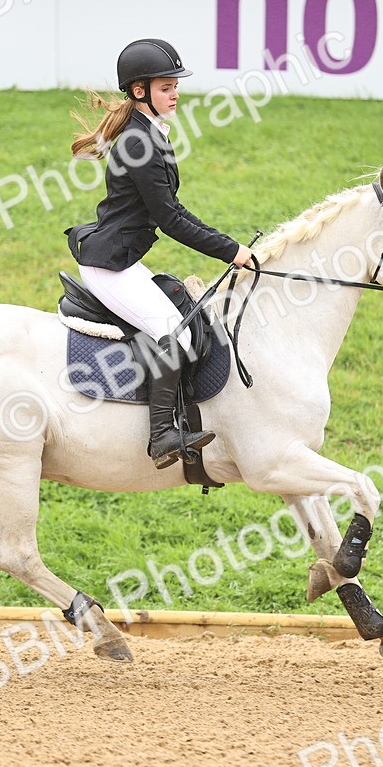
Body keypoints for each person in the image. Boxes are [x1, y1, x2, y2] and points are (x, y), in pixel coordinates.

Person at [65, 38, 255, 470]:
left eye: (175, 86)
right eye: (167, 87)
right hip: (110, 264)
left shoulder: (147, 130)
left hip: (123, 257)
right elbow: (169, 218)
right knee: (176, 333)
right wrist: (231, 250)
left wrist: (230, 246)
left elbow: (171, 211)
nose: (176, 93)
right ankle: (162, 437)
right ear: (139, 91)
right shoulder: (140, 142)